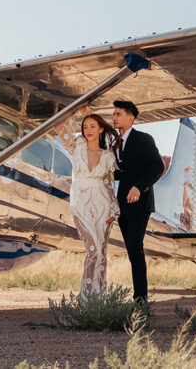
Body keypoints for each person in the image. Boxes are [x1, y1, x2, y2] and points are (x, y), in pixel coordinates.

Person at [56, 105, 121, 297]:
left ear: (100, 129)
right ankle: (85, 298)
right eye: (85, 127)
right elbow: (60, 125)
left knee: (101, 252)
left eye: (93, 126)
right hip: (80, 203)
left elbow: (109, 185)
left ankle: (98, 298)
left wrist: (113, 207)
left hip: (102, 204)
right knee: (92, 250)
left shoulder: (108, 156)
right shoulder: (77, 146)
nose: (88, 131)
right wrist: (81, 112)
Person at [112, 99, 164, 303]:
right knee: (132, 250)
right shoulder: (115, 142)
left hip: (140, 203)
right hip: (121, 204)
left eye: (118, 114)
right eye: (114, 114)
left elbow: (157, 167)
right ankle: (139, 296)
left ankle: (141, 298)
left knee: (135, 247)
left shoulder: (143, 139)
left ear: (130, 118)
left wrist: (139, 187)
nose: (114, 117)